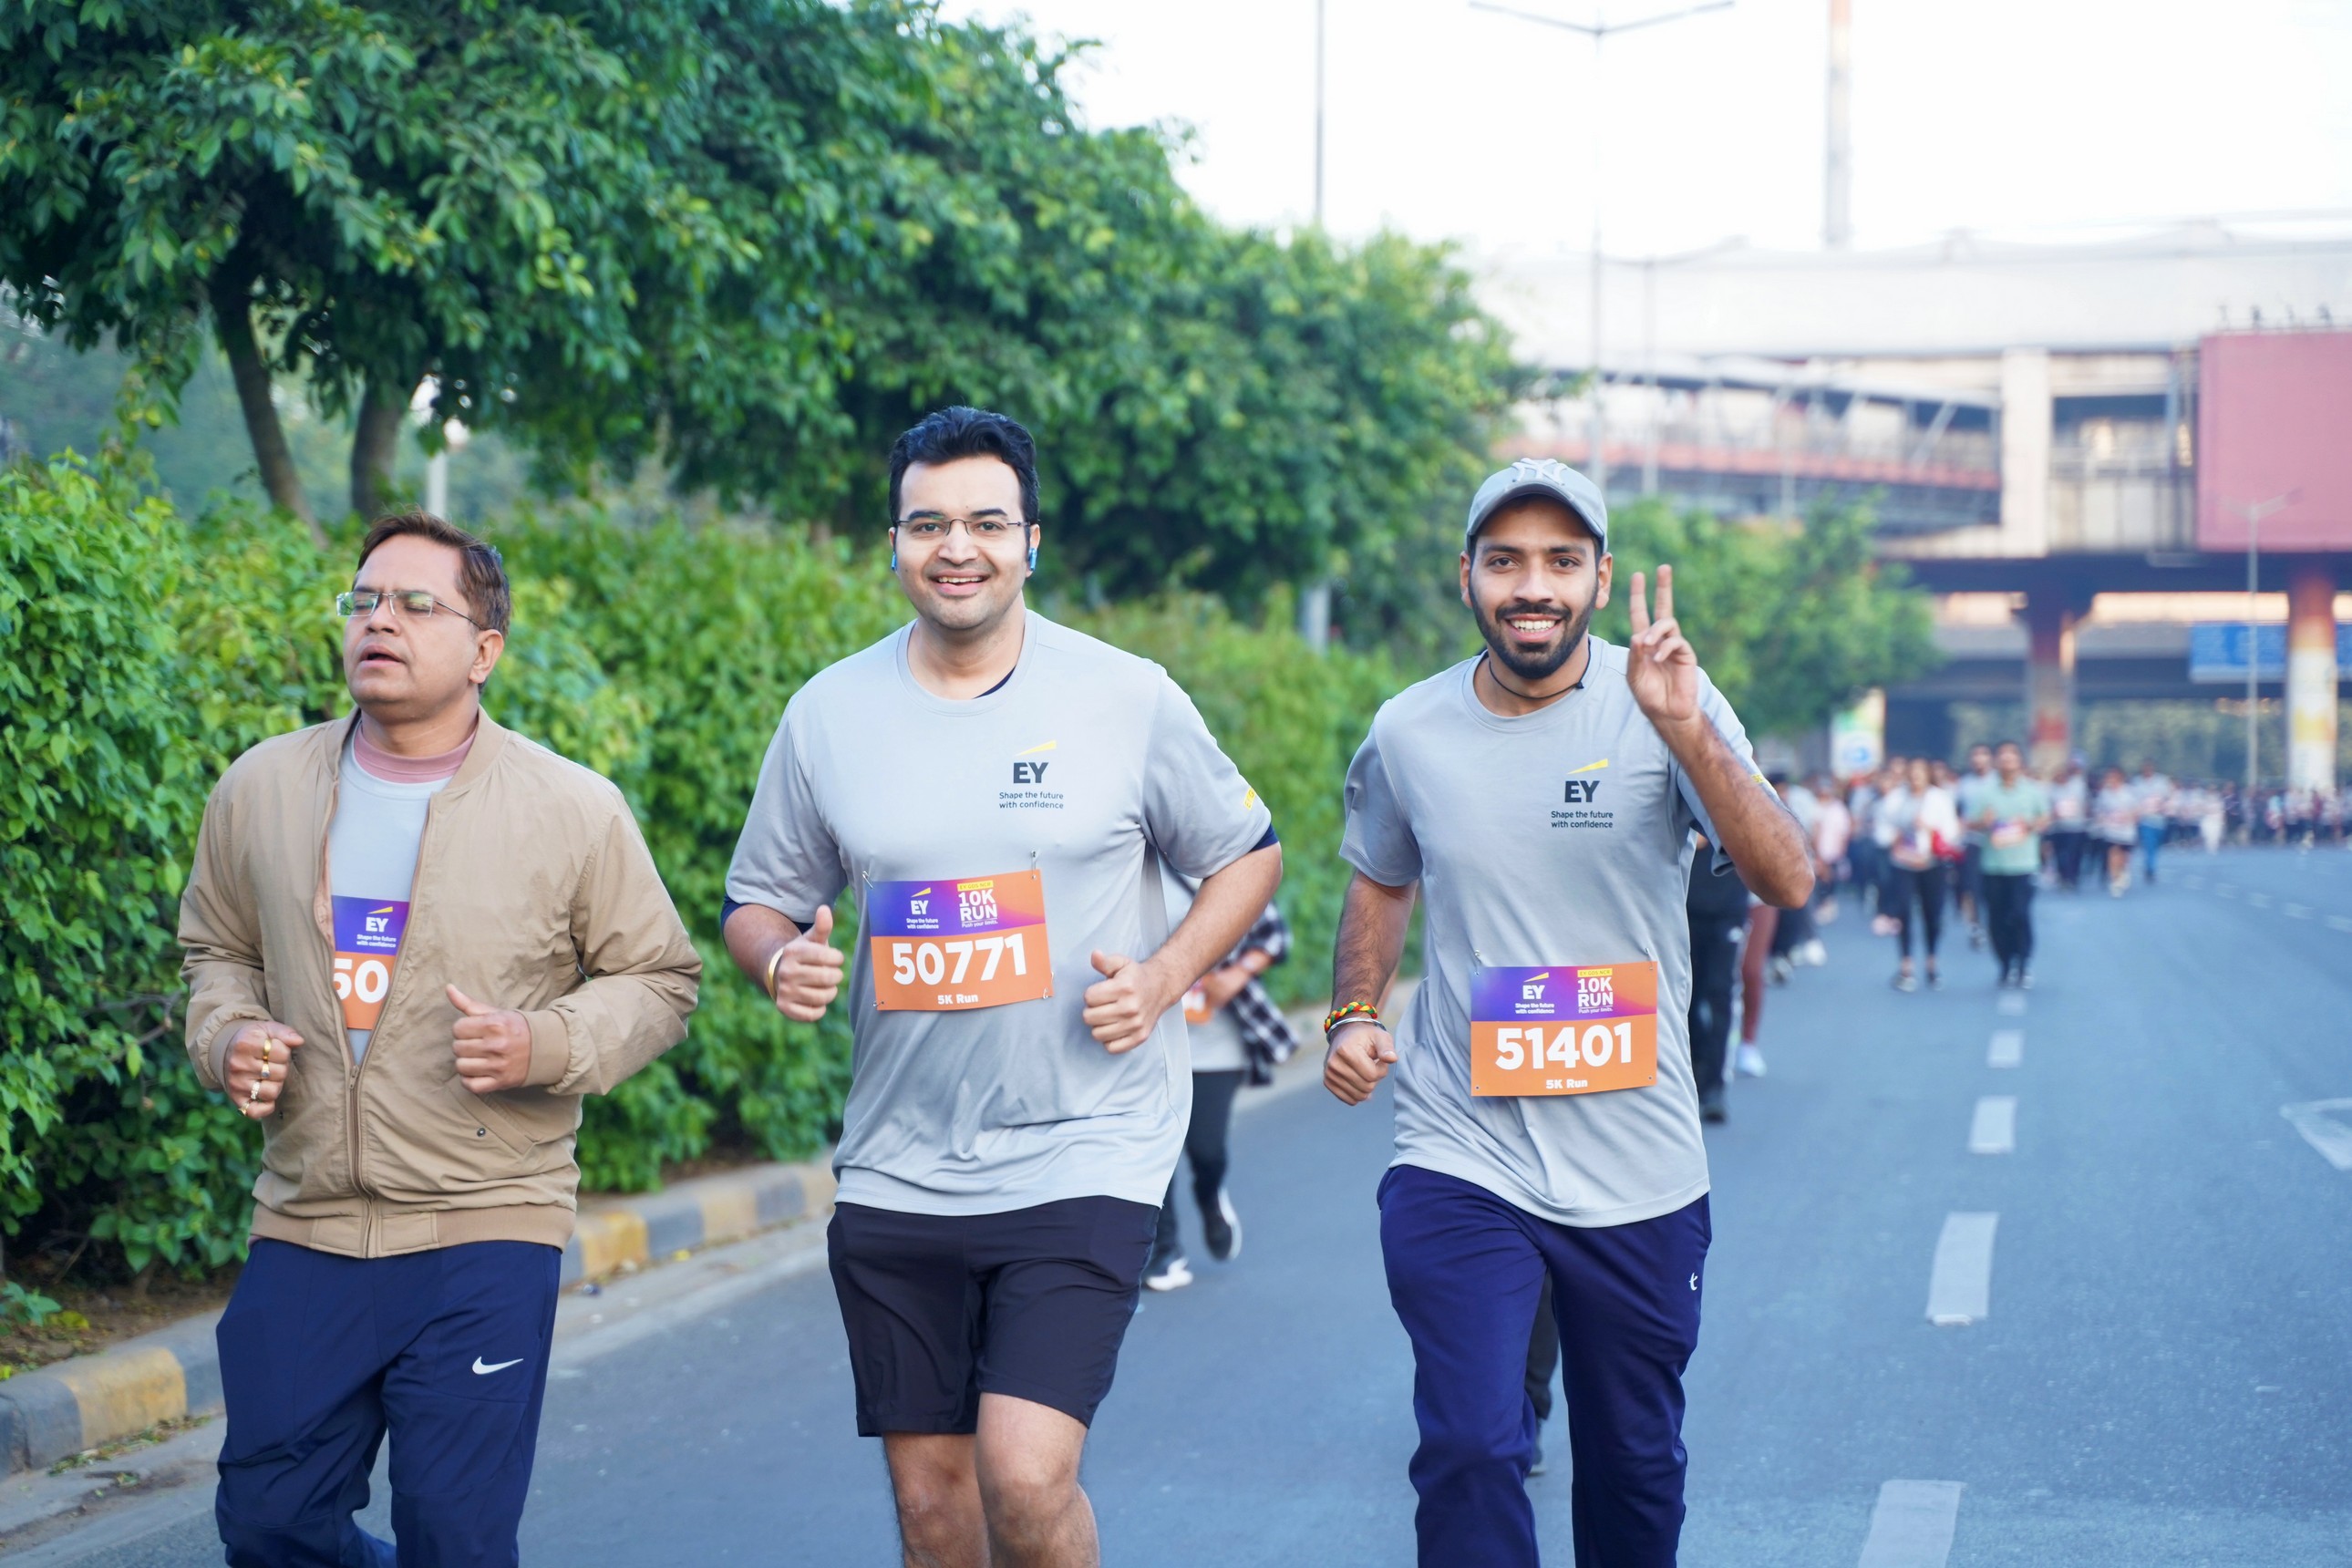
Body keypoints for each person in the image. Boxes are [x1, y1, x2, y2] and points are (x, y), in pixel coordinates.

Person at [722, 407, 1282, 1568]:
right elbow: (758, 898)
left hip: (1086, 1141)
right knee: (934, 1507)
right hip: (900, 1155)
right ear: (893, 544)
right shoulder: (829, 712)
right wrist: (778, 957)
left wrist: (1167, 974)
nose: (957, 547)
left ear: (1031, 541)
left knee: (1024, 1476)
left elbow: (1247, 852)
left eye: (986, 521)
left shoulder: (1125, 696)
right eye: (927, 524)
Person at [179, 513, 703, 1568]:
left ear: (484, 649)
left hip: (485, 1224)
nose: (381, 620)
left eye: (419, 604)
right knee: (271, 1526)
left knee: (454, 1535)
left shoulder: (571, 807)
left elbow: (660, 977)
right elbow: (217, 949)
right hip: (308, 1219)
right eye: (366, 600)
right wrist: (227, 1033)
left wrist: (545, 1042)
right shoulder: (262, 787)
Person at [1321, 457, 1813, 1568]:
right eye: (1505, 562)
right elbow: (1381, 877)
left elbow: (1785, 877)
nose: (1532, 586)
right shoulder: (1408, 728)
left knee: (1633, 1464)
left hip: (1638, 1162)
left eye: (1560, 561)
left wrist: (1686, 729)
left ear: (1599, 577)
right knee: (1471, 1445)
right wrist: (1352, 1011)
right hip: (1461, 1149)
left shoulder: (1669, 701)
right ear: (1467, 577)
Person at [1141, 890, 1299, 1292]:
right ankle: (1165, 1252)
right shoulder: (1133, 875)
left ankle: (1210, 1196)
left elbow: (1275, 936)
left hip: (1218, 1045)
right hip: (1150, 1045)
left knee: (1206, 1150)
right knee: (1157, 1152)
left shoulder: (1227, 868)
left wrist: (1238, 973)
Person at [1970, 741, 2051, 989]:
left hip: (2023, 865)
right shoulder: (1985, 793)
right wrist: (1984, 823)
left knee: (2020, 914)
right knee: (1996, 917)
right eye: (2002, 756)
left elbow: (2045, 818)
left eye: (2012, 755)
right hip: (1993, 865)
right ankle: (2004, 964)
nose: (2007, 760)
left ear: (2020, 761)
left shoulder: (2032, 791)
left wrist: (2031, 824)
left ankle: (2023, 963)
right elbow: (1970, 823)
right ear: (1996, 761)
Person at [1879, 757, 1959, 992]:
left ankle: (1932, 963)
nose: (1915, 777)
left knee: (1932, 913)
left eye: (1920, 772)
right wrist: (1893, 836)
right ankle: (1906, 965)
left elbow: (1951, 830)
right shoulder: (1895, 799)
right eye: (1912, 772)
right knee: (1903, 911)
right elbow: (1881, 829)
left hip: (1931, 863)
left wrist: (1929, 828)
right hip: (1902, 862)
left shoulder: (1939, 798)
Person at [1686, 833, 1749, 1123]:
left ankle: (1715, 1088)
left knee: (1721, 994)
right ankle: (1697, 1067)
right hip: (1685, 907)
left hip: (1727, 910)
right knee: (1686, 996)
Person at [1953, 743, 1995, 950]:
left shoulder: (1998, 782)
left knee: (1991, 889)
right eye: (1975, 755)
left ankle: (1994, 925)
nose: (1979, 759)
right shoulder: (1964, 785)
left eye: (1983, 754)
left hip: (1997, 844)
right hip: (1971, 842)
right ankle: (1975, 926)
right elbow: (1957, 813)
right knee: (1971, 887)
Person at [2093, 766, 2139, 894]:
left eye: (2112, 777)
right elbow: (2099, 810)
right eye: (2108, 777)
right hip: (2110, 830)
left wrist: (2130, 818)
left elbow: (2137, 810)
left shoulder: (2129, 792)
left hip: (2126, 831)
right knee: (2112, 853)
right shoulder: (2104, 794)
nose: (2110, 780)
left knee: (2124, 857)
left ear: (2120, 778)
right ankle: (2115, 880)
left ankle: (2123, 871)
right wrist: (2101, 820)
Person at [2048, 758, 2089, 891]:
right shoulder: (2052, 790)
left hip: (2076, 827)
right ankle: (2062, 876)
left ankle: (2073, 877)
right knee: (2060, 854)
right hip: (2058, 828)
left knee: (2074, 854)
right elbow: (2047, 807)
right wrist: (2053, 813)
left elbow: (2085, 804)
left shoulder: (2078, 786)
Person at [2132, 762, 2174, 882]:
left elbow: (2168, 797)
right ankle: (2150, 868)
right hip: (2145, 820)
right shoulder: (2137, 782)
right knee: (2149, 845)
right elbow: (2133, 800)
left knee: (2155, 846)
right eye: (2145, 769)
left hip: (2159, 820)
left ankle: (2150, 864)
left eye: (2149, 769)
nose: (2147, 771)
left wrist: (2162, 805)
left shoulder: (2161, 781)